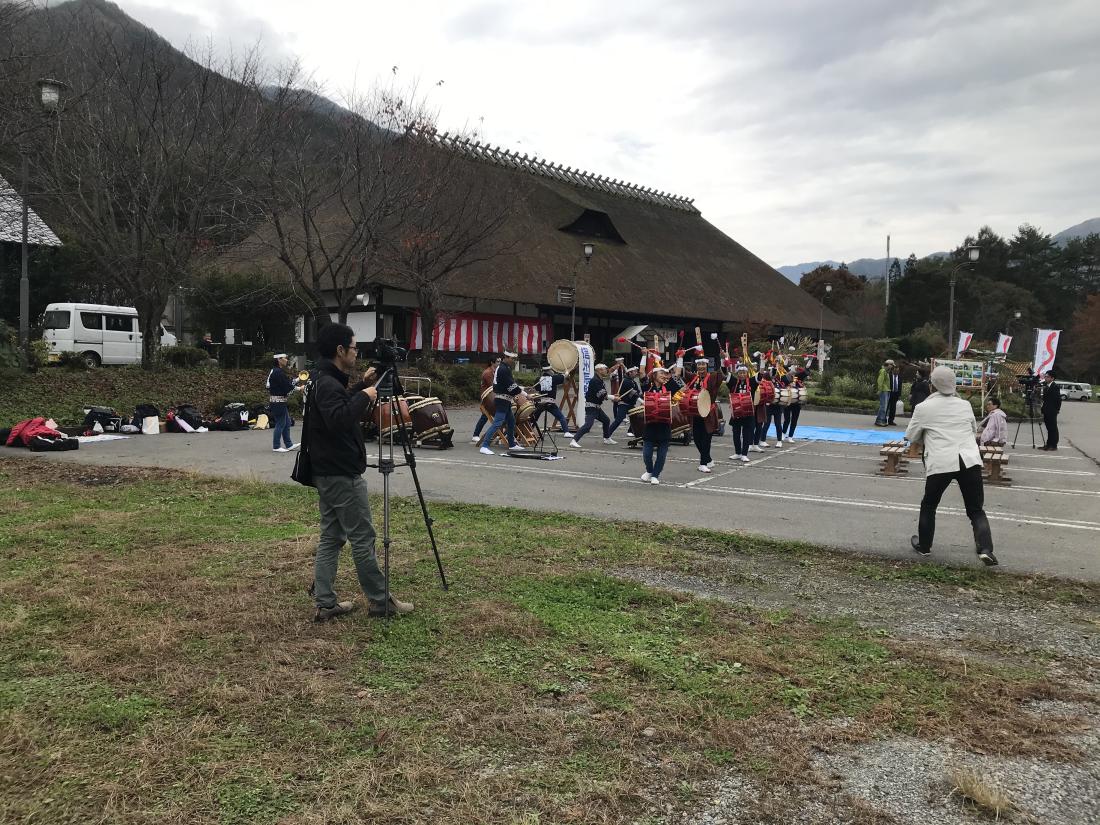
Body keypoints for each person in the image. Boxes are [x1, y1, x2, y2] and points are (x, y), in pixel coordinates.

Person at [307, 322, 413, 621]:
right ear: (340, 350)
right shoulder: (327, 383)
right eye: (354, 348)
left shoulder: (323, 378)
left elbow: (337, 406)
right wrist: (366, 395)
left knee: (332, 536)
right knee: (363, 537)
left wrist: (358, 387)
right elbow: (339, 419)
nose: (357, 353)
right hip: (340, 473)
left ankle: (326, 602)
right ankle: (381, 601)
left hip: (327, 470)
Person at [904, 365, 997, 566]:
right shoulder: (964, 405)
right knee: (975, 509)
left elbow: (911, 435)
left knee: (929, 504)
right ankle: (985, 549)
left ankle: (925, 546)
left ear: (932, 385)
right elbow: (973, 430)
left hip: (941, 461)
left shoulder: (923, 408)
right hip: (969, 460)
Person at [480, 350, 525, 455]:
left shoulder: (504, 368)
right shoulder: (503, 369)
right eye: (512, 359)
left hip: (505, 399)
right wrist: (525, 394)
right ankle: (484, 445)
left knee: (511, 422)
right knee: (497, 423)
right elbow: (511, 385)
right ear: (506, 357)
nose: (513, 361)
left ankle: (512, 444)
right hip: (502, 400)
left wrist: (522, 390)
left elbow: (511, 384)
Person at [570, 363, 617, 447]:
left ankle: (606, 438)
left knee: (606, 420)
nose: (606, 370)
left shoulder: (599, 379)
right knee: (588, 425)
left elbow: (602, 394)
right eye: (604, 369)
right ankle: (573, 441)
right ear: (599, 370)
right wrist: (613, 397)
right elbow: (602, 394)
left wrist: (612, 397)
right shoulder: (595, 380)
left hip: (596, 407)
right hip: (591, 407)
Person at [690, 356, 723, 472]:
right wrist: (680, 358)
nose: (701, 367)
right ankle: (707, 458)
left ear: (707, 366)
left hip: (708, 412)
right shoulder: (694, 378)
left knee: (706, 438)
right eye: (699, 365)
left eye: (703, 364)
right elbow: (681, 374)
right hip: (696, 412)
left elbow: (722, 374)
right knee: (697, 438)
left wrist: (723, 360)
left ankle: (703, 463)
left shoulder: (713, 377)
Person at [640, 367, 673, 484]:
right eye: (661, 373)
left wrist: (680, 358)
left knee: (662, 454)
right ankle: (649, 470)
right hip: (650, 425)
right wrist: (644, 356)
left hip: (664, 425)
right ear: (654, 375)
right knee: (647, 454)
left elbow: (678, 375)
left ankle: (655, 475)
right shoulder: (648, 386)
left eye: (665, 373)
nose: (664, 375)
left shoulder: (669, 387)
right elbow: (641, 373)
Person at [266, 353, 299, 452]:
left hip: (279, 402)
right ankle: (276, 446)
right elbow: (287, 386)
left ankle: (288, 444)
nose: (286, 359)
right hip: (278, 402)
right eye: (285, 358)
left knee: (287, 422)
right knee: (280, 423)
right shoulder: (278, 372)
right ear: (279, 360)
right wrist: (298, 388)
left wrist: (297, 380)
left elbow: (287, 383)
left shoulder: (276, 371)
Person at [727, 364, 758, 463]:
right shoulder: (734, 382)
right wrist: (725, 361)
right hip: (736, 412)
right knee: (736, 433)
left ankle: (744, 454)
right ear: (737, 373)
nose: (742, 374)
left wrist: (762, 361)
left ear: (747, 373)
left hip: (748, 413)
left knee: (746, 434)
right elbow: (725, 373)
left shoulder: (752, 382)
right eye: (740, 373)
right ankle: (737, 453)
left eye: (744, 372)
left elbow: (760, 375)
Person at [531, 365, 573, 437]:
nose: (553, 371)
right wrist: (566, 373)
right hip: (550, 403)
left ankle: (528, 430)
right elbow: (565, 377)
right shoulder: (554, 378)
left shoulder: (538, 379)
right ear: (549, 371)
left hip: (540, 402)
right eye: (552, 370)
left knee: (534, 418)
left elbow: (537, 388)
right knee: (561, 417)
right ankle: (566, 432)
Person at [470, 357, 499, 444]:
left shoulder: (494, 371)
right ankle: (475, 435)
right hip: (488, 397)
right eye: (497, 361)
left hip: (492, 397)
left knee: (488, 416)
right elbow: (493, 386)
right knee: (485, 416)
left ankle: (498, 434)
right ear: (492, 362)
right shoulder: (488, 373)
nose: (499, 363)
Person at [607, 364, 640, 437]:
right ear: (630, 373)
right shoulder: (626, 381)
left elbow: (637, 392)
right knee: (618, 420)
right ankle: (607, 434)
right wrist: (641, 400)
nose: (636, 373)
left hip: (630, 404)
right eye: (634, 371)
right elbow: (635, 393)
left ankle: (630, 431)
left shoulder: (633, 382)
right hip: (624, 404)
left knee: (636, 417)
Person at [1040, 370, 1061, 450]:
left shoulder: (1055, 387)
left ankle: (1054, 445)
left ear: (1052, 378)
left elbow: (1058, 400)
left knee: (1053, 428)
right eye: (1045, 376)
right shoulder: (1046, 386)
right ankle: (1048, 444)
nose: (1045, 378)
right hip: (1046, 410)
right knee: (1049, 428)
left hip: (1052, 411)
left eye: (1047, 376)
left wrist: (1056, 410)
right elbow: (1045, 399)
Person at [782, 369, 805, 441]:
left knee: (794, 420)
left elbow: (805, 372)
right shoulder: (785, 378)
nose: (793, 375)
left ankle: (790, 436)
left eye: (795, 374)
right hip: (788, 402)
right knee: (787, 419)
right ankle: (783, 433)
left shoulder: (800, 381)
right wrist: (790, 383)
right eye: (792, 374)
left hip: (797, 403)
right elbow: (783, 379)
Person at [875, 359, 895, 426]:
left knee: (884, 406)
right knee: (883, 406)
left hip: (886, 390)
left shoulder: (886, 371)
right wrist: (880, 389)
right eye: (892, 365)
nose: (892, 367)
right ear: (889, 365)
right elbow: (880, 381)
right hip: (884, 390)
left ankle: (879, 420)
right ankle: (880, 421)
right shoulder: (883, 371)